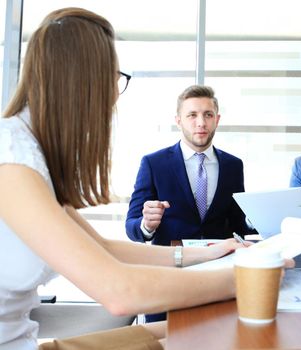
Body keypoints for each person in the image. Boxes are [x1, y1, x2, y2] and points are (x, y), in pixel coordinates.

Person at [0, 8, 249, 349]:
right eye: (113, 78)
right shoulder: (11, 158)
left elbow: (102, 248)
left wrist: (207, 254)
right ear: (81, 80)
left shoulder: (32, 153)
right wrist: (247, 280)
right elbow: (120, 291)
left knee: (208, 331)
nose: (115, 95)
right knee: (199, 337)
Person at [125, 84, 250, 322]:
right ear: (179, 120)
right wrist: (147, 226)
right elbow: (132, 228)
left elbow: (238, 226)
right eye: (192, 115)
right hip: (168, 279)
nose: (200, 122)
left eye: (207, 115)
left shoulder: (234, 166)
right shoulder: (154, 163)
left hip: (217, 280)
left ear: (217, 119)